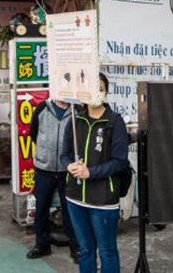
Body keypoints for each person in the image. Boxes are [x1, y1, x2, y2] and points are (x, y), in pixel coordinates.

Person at [61, 73, 129, 273]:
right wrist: (69, 166)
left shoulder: (114, 122)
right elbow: (64, 154)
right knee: (85, 248)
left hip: (103, 200)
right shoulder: (76, 120)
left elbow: (120, 162)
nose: (96, 93)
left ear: (106, 92)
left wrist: (90, 172)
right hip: (75, 197)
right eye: (92, 88)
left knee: (107, 250)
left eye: (100, 88)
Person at [27, 95, 79, 262]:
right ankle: (42, 244)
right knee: (41, 208)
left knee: (70, 210)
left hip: (68, 170)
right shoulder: (42, 108)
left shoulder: (76, 110)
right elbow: (33, 133)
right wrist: (45, 153)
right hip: (44, 169)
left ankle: (76, 246)